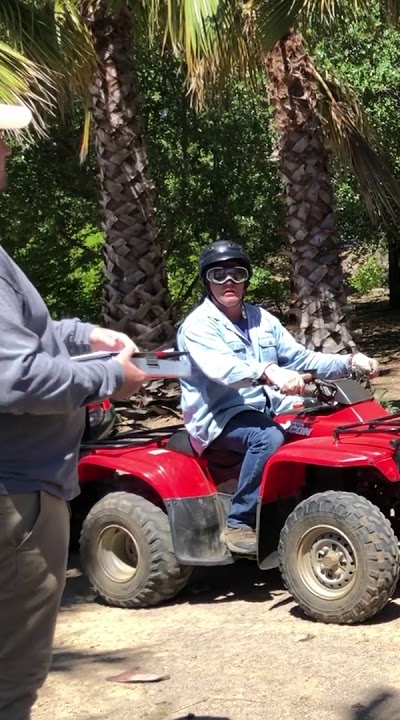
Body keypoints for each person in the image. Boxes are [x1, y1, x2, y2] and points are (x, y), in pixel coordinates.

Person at [0, 102, 148, 720]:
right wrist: (112, 376)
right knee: (11, 682)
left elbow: (20, 341)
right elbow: (15, 377)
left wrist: (80, 334)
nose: (8, 151)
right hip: (17, 500)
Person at [176, 239, 379, 554]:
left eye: (237, 274)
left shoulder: (261, 319)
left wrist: (349, 362)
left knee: (326, 423)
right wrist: (270, 372)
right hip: (219, 417)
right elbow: (224, 370)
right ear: (207, 281)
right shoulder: (198, 326)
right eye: (218, 275)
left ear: (246, 280)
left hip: (270, 408)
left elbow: (300, 358)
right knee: (267, 438)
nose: (229, 281)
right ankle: (239, 522)